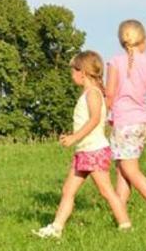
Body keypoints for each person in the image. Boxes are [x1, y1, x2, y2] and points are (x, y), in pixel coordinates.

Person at [35, 51, 132, 238]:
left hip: (94, 151)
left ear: (83, 73)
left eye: (73, 71)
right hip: (85, 151)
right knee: (67, 190)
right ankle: (56, 228)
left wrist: (74, 137)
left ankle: (125, 225)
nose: (71, 76)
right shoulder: (89, 93)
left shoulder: (93, 94)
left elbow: (95, 120)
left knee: (106, 191)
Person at [106, 19, 146, 213]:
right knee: (123, 168)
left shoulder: (115, 62)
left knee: (130, 169)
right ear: (143, 39)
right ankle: (120, 209)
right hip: (143, 123)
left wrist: (101, 113)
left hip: (124, 123)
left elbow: (110, 93)